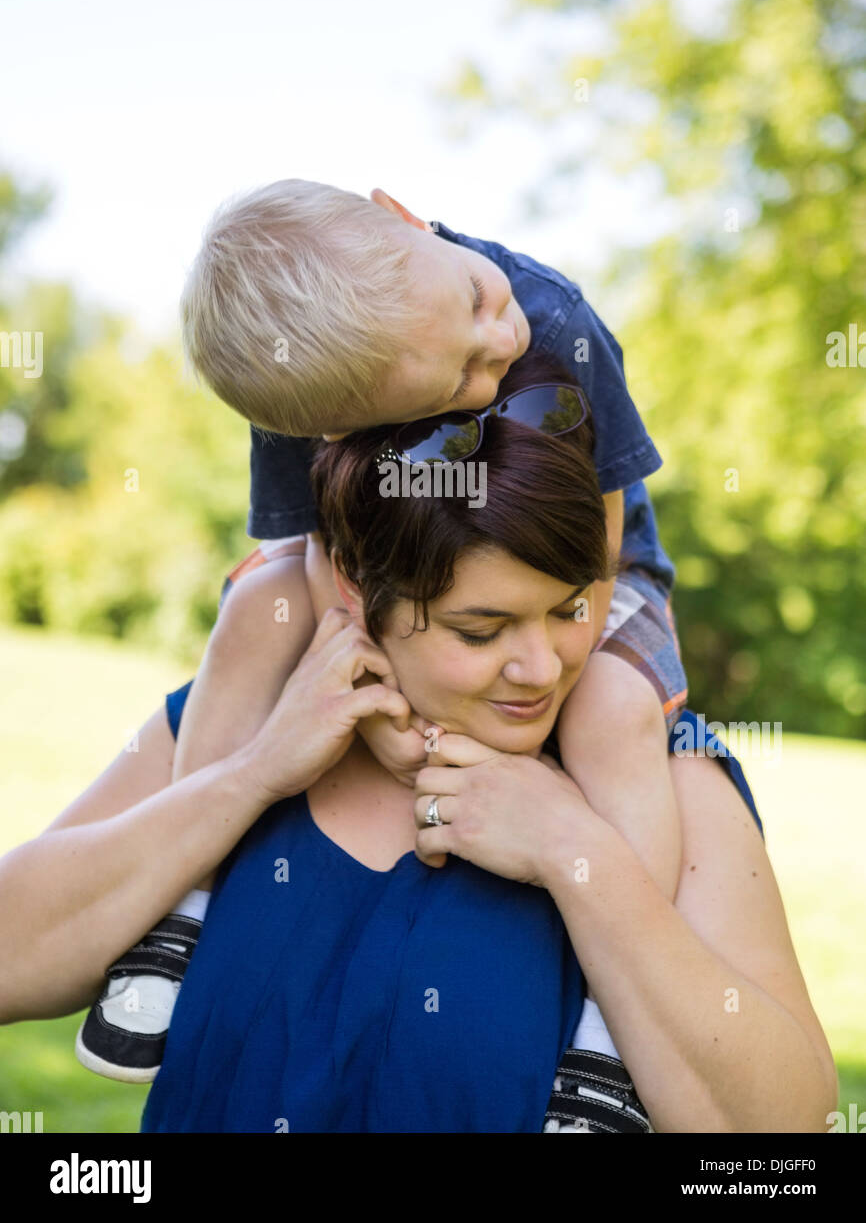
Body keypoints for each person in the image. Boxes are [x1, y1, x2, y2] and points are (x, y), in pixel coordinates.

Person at [74, 179, 690, 1082]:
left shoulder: (551, 314)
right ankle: (183, 907)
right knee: (254, 607)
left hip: (590, 566)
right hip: (392, 567)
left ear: (403, 214)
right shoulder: (305, 378)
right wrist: (369, 684)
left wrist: (547, 649)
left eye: (477, 304)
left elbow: (586, 557)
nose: (498, 343)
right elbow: (322, 553)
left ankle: (610, 1042)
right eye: (461, 382)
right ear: (336, 424)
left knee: (613, 711)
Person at [128, 353, 834, 1133]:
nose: (541, 669)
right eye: (481, 628)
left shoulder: (667, 768)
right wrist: (251, 778)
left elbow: (784, 1142)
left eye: (570, 610)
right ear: (358, 591)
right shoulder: (255, 715)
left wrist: (579, 854)